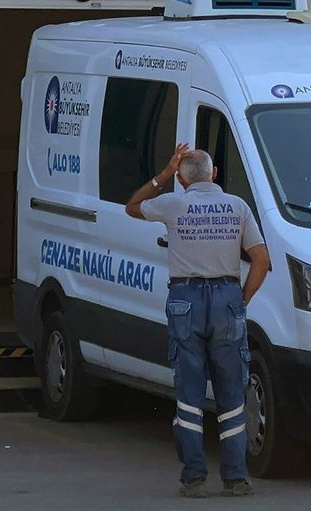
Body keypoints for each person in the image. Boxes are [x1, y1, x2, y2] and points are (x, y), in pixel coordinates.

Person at [126, 144, 270, 498]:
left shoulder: (172, 204)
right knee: (231, 393)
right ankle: (235, 477)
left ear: (181, 178)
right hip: (227, 298)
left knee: (189, 393)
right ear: (214, 173)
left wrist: (163, 174)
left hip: (185, 300)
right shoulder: (237, 206)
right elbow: (261, 260)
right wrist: (241, 300)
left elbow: (132, 206)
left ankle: (193, 477)